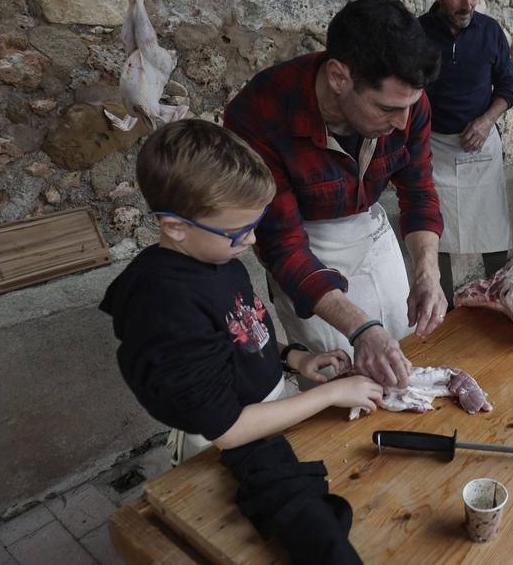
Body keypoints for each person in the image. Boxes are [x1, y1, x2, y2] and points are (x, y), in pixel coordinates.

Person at [101, 120, 382, 562]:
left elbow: (239, 332)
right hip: (223, 447)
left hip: (262, 412)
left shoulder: (213, 254)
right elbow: (227, 430)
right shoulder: (164, 305)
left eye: (255, 225)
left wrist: (292, 358)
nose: (251, 240)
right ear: (175, 227)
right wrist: (331, 394)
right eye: (238, 232)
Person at [224, 0, 445, 389]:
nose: (401, 122)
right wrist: (359, 327)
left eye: (410, 107)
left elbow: (419, 190)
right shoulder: (260, 113)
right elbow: (282, 245)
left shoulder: (405, 96)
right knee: (339, 377)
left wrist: (427, 272)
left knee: (406, 359)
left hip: (371, 231)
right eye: (386, 109)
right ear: (339, 77)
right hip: (307, 245)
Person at [417, 0, 513, 307]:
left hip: (480, 143)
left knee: (492, 230)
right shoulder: (417, 34)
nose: (467, 4)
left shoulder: (490, 31)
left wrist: (486, 120)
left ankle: (505, 301)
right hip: (434, 147)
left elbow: (509, 85)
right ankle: (442, 309)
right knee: (436, 230)